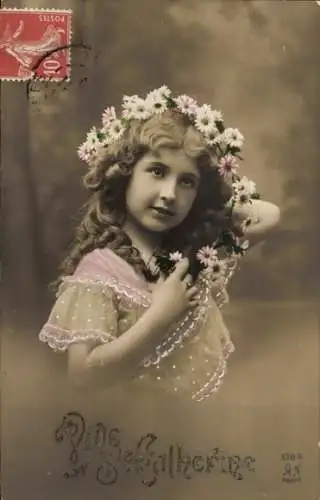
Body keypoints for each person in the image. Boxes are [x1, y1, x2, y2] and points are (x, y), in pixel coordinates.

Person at [39, 86, 280, 403]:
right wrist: (162, 314)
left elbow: (269, 216)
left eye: (186, 182)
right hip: (130, 432)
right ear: (124, 176)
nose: (170, 193)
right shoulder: (100, 267)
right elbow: (82, 374)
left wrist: (209, 196)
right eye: (157, 171)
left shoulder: (191, 257)